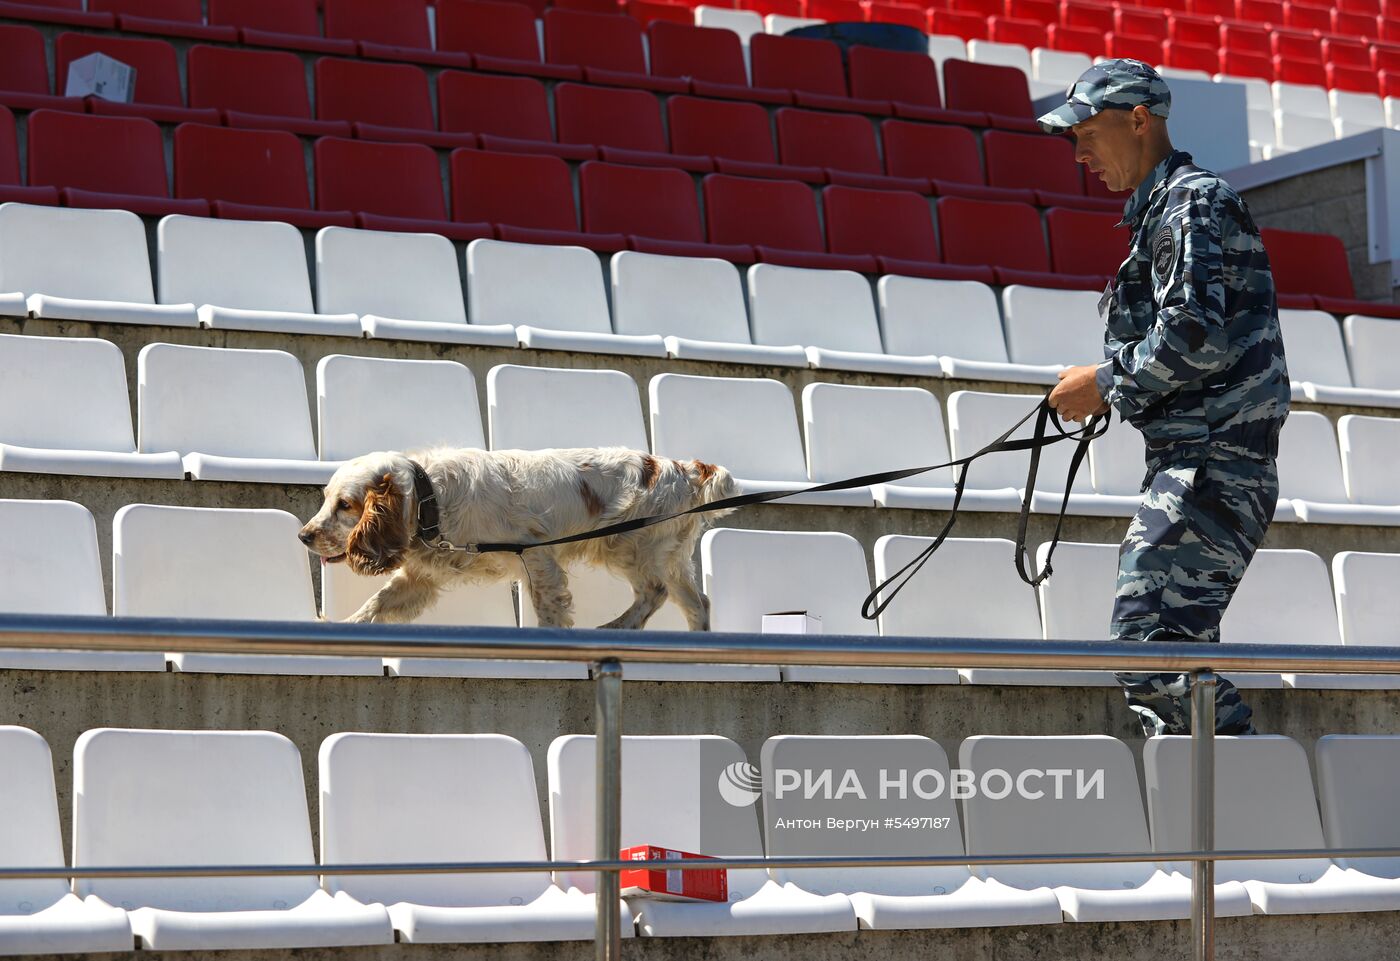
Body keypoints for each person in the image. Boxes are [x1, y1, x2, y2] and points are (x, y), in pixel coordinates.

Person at [1038, 59, 1290, 736]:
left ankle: (1241, 794)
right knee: (1164, 650)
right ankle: (1216, 806)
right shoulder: (1167, 208)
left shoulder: (1191, 203)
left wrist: (1105, 382)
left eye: (1087, 131)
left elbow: (1193, 334)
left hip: (1212, 462)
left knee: (1150, 645)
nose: (1079, 150)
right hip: (1197, 461)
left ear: (1139, 120)